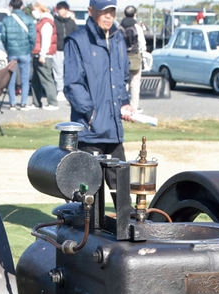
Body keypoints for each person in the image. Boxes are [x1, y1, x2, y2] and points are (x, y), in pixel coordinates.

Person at [63, 0, 134, 196]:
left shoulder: (118, 39)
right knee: (88, 193)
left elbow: (122, 78)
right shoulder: (77, 40)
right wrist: (91, 114)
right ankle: (87, 228)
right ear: (91, 11)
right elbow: (72, 84)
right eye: (104, 11)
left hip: (114, 132)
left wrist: (124, 103)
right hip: (89, 132)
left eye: (111, 11)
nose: (109, 16)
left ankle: (124, 227)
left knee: (121, 189)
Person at [0, 0, 35, 110]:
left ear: (10, 6)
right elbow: (33, 38)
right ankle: (23, 103)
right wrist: (29, 49)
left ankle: (12, 103)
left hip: (12, 53)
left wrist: (8, 49)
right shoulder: (28, 19)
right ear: (22, 6)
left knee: (11, 79)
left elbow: (3, 38)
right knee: (25, 79)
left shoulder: (6, 20)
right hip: (25, 52)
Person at [30, 2, 59, 109]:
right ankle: (36, 102)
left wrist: (43, 54)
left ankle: (52, 102)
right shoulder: (41, 21)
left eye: (34, 9)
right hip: (38, 54)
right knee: (35, 81)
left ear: (40, 9)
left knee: (46, 80)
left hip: (44, 56)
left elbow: (46, 40)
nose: (33, 11)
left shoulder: (46, 23)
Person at [119, 5, 146, 112]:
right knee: (135, 83)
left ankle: (122, 104)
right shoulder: (137, 27)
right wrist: (142, 53)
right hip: (135, 57)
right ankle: (134, 106)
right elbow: (142, 43)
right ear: (135, 14)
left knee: (123, 82)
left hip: (122, 57)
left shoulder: (119, 27)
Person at [53, 1, 78, 101]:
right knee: (58, 71)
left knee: (68, 71)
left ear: (67, 10)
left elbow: (76, 35)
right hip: (57, 50)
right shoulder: (54, 21)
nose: (61, 11)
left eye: (63, 9)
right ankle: (60, 91)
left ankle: (68, 90)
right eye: (59, 9)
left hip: (69, 50)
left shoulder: (71, 22)